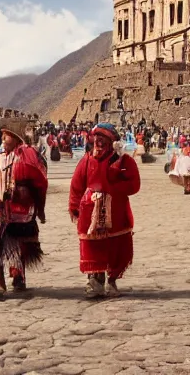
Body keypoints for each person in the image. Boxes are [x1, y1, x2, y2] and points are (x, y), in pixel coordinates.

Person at [0, 125, 48, 301]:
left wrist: (34, 204)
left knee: (16, 244)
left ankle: (18, 275)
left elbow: (38, 183)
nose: (3, 139)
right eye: (2, 136)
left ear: (16, 139)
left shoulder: (24, 158)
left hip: (18, 210)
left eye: (7, 136)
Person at [68, 123, 140, 298]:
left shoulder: (123, 161)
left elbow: (133, 184)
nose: (98, 142)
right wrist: (75, 206)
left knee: (116, 245)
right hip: (90, 213)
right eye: (96, 138)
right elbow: (77, 185)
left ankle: (112, 279)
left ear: (111, 141)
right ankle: (95, 280)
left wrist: (113, 188)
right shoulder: (86, 161)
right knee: (93, 247)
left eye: (103, 138)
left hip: (116, 212)